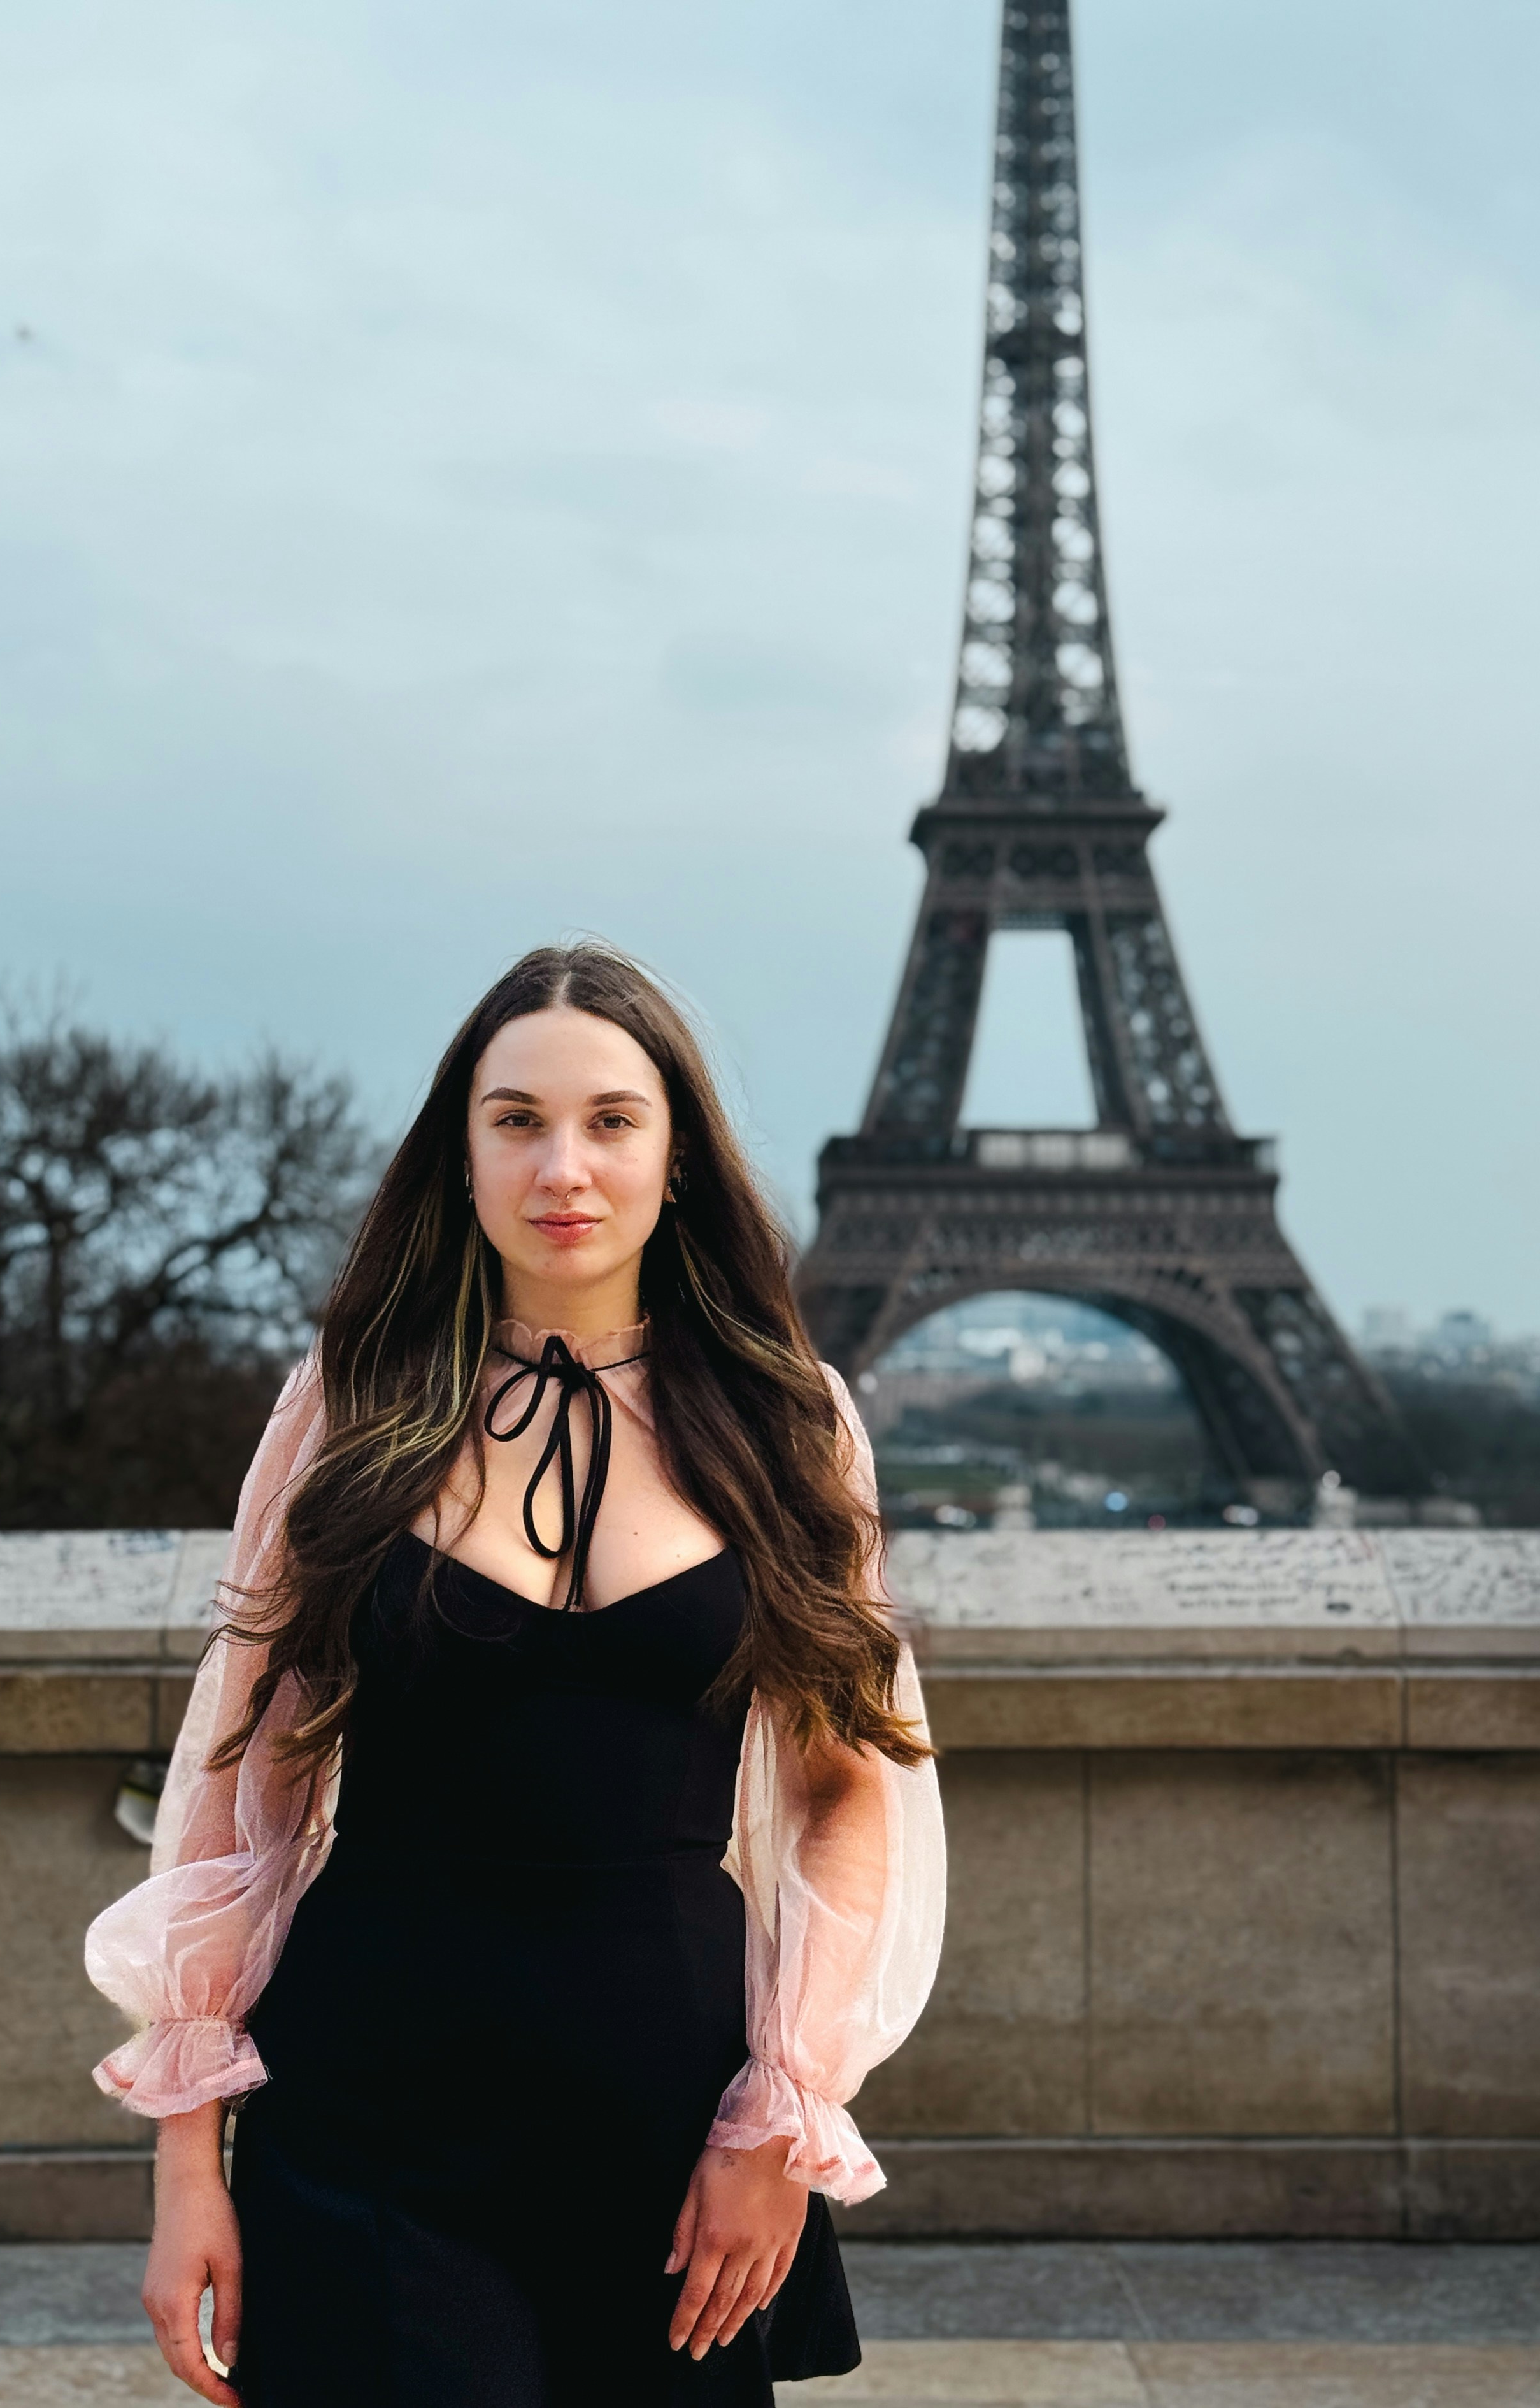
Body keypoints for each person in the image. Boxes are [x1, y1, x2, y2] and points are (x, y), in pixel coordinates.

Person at [84, 945, 945, 2407]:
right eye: (516, 1119)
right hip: (372, 2100)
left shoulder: (787, 1421)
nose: (565, 1164)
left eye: (612, 1119)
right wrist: (187, 2169)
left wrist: (781, 2120)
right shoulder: (354, 1402)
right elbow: (245, 1789)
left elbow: (846, 1794)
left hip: (675, 2114)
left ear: (676, 1159)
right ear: (461, 1155)